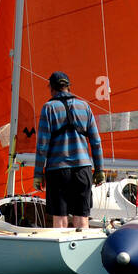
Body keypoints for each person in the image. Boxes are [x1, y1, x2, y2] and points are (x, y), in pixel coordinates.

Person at [33, 71, 103, 231]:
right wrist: (99, 170)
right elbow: (96, 142)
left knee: (60, 219)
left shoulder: (48, 108)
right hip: (83, 169)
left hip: (58, 171)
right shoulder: (84, 106)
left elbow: (42, 145)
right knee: (82, 218)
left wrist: (38, 174)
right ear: (69, 87)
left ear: (51, 88)